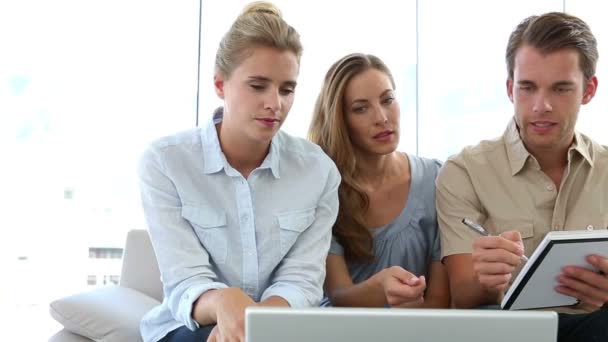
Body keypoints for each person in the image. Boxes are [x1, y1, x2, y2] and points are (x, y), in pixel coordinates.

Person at [137, 2, 340, 342]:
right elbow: (186, 282)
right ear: (220, 84)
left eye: (287, 89)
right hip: (195, 326)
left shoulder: (318, 171)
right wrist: (224, 302)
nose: (275, 103)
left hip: (284, 323)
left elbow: (302, 280)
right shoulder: (164, 163)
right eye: (258, 86)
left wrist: (256, 325)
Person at [436, 12, 608, 342]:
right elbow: (463, 297)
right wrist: (487, 280)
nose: (541, 106)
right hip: (508, 332)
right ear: (509, 88)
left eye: (561, 89)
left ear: (588, 90)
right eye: (527, 88)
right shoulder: (465, 171)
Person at [309, 53, 450, 308]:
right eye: (361, 108)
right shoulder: (323, 187)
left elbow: (439, 299)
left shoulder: (436, 179)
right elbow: (339, 294)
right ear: (341, 120)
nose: (382, 117)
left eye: (388, 100)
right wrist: (380, 288)